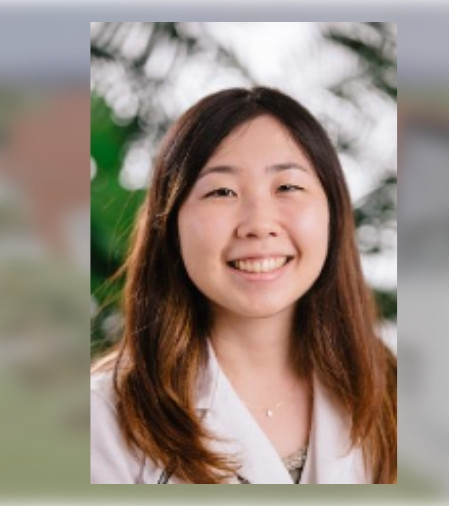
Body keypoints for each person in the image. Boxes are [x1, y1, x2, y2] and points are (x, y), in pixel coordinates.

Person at [90, 87, 397, 484]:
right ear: (170, 224)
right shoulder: (101, 420)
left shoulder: (390, 390)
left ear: (333, 213)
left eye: (287, 187)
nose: (258, 223)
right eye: (222, 192)